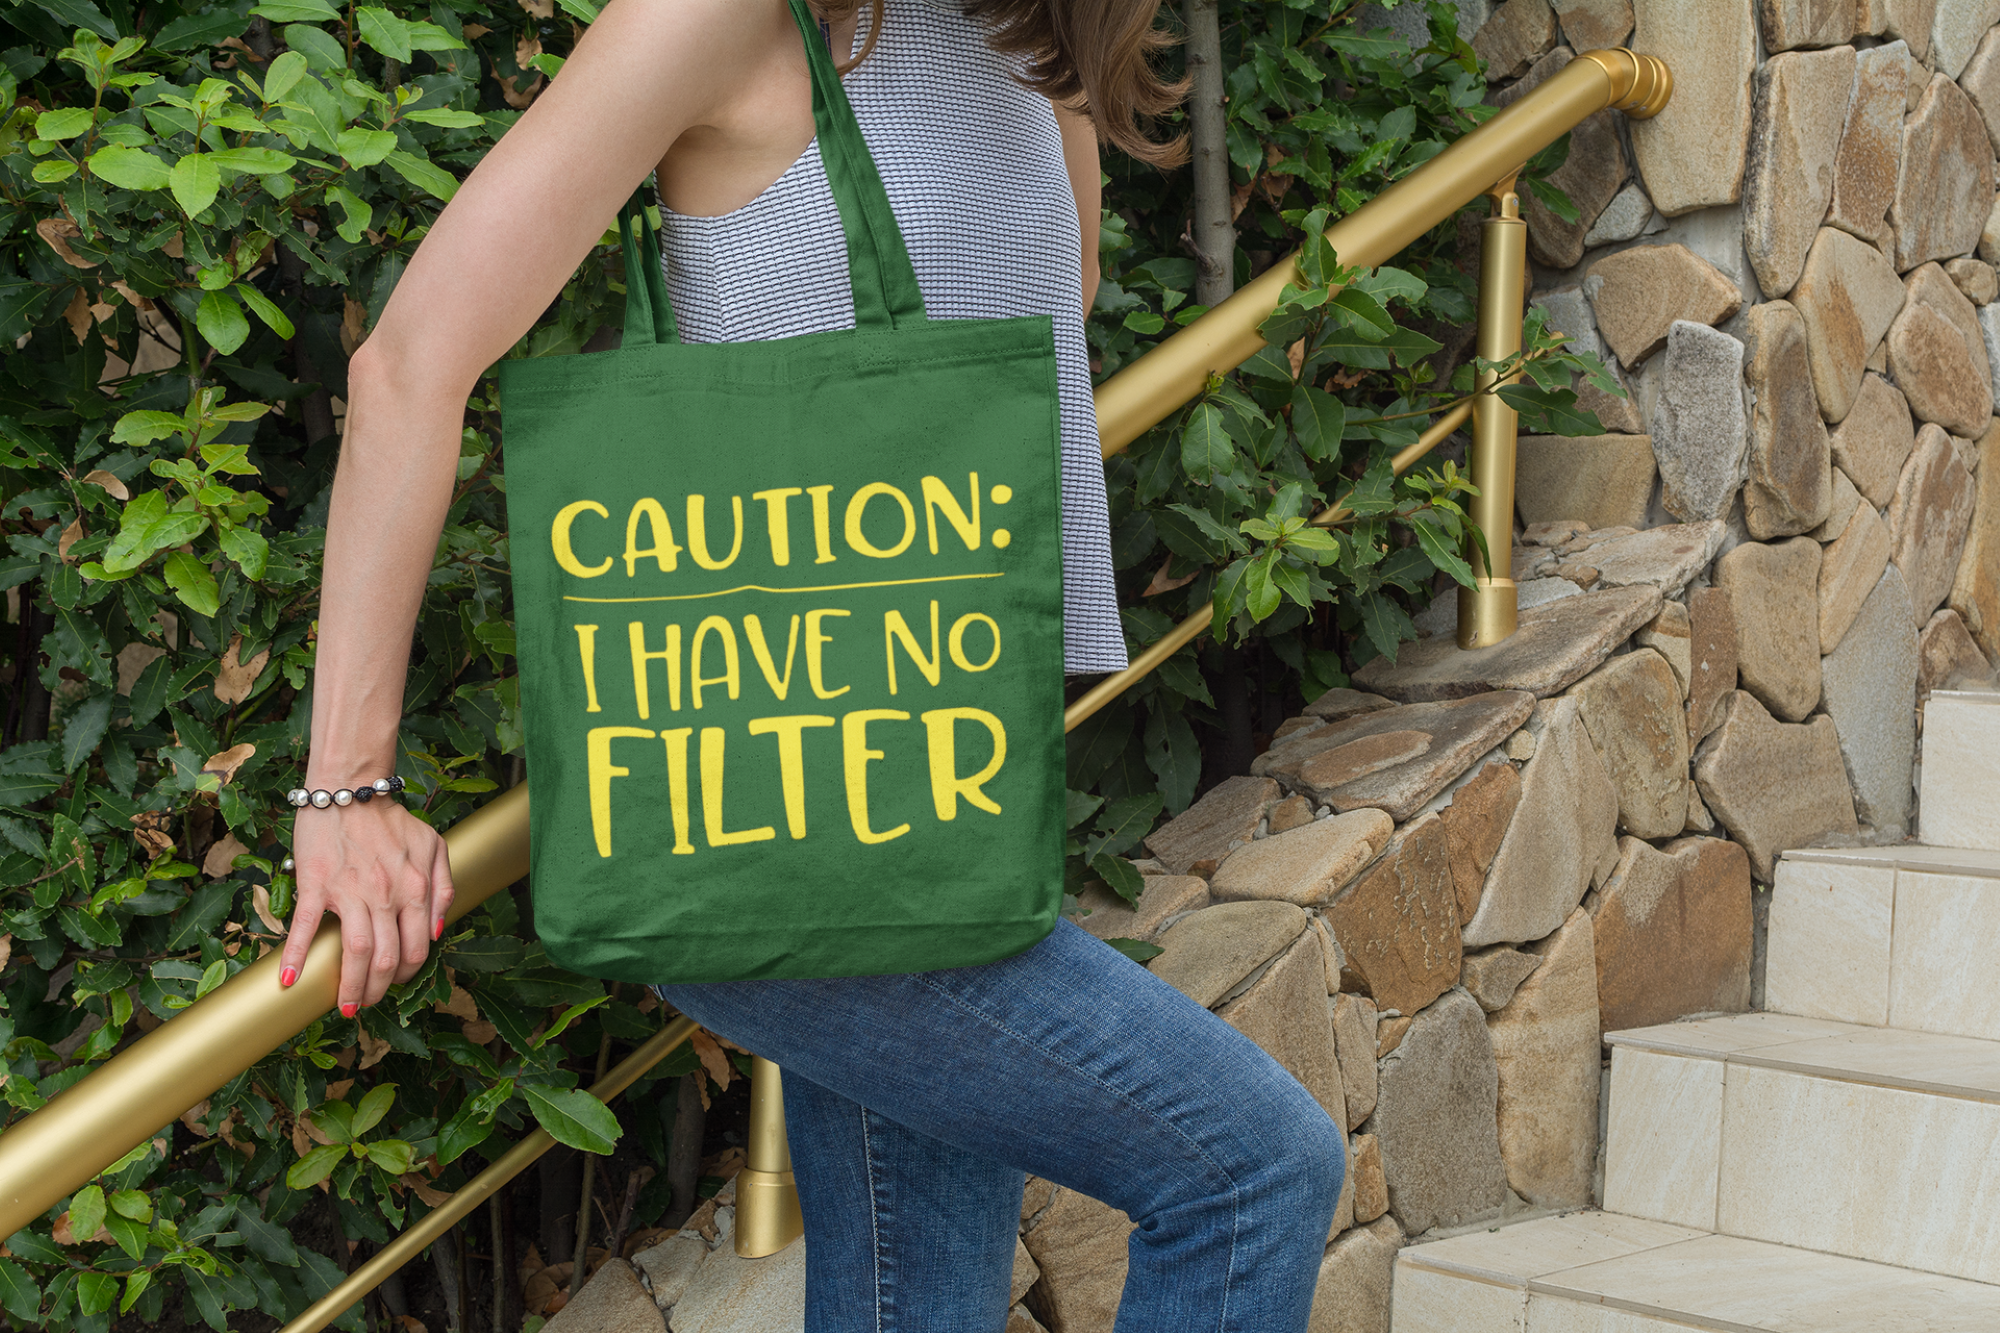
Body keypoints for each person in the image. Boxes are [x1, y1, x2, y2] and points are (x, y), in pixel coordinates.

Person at [279, 0, 1343, 1327]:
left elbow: (1040, 308)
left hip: (936, 784)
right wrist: (347, 787)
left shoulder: (1023, 29)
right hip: (776, 806)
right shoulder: (710, 18)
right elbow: (406, 367)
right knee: (1252, 1173)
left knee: (925, 1297)